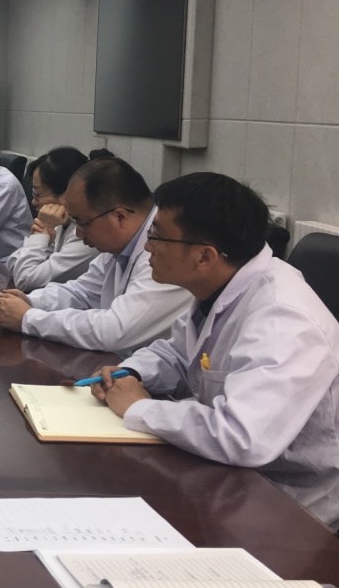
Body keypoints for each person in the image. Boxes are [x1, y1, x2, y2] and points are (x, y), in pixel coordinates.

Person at [87, 173, 339, 528]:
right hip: (228, 476)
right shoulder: (220, 287)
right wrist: (132, 373)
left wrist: (139, 408)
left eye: (156, 235)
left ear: (205, 256)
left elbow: (242, 437)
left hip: (291, 507)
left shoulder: (284, 318)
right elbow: (178, 354)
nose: (147, 247)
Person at [0, 157, 192, 353]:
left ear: (120, 216)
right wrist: (31, 301)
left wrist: (29, 318)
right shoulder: (119, 246)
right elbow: (82, 292)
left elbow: (116, 330)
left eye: (82, 222)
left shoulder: (166, 253)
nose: (78, 233)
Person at [4, 146, 98, 290]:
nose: (33, 202)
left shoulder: (85, 235)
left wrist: (40, 234)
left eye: (38, 194)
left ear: (67, 194)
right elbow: (12, 265)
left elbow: (24, 280)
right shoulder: (59, 222)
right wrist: (44, 239)